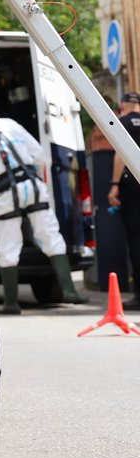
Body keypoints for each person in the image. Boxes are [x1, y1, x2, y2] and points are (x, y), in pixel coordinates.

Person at [0, 100, 86, 314]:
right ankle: (70, 292)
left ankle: (11, 303)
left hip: (5, 193)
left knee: (8, 245)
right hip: (33, 184)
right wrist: (37, 179)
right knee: (50, 235)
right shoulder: (10, 124)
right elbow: (39, 153)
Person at [107, 91, 140, 309]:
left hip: (132, 185)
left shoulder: (122, 124)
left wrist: (114, 185)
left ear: (122, 106)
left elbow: (120, 154)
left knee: (136, 239)